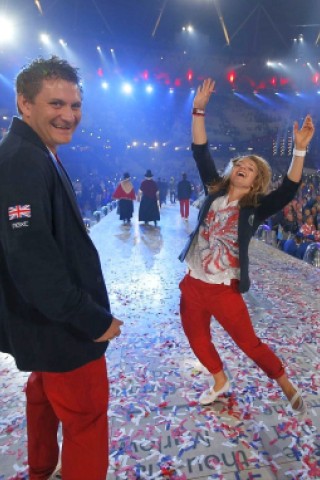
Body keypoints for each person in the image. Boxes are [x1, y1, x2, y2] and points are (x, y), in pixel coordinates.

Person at [0, 56, 123, 480]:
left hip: (47, 323)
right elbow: (32, 258)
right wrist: (92, 320)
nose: (68, 115)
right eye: (56, 104)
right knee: (86, 416)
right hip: (64, 327)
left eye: (74, 105)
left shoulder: (35, 150)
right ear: (24, 103)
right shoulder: (22, 160)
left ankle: (41, 469)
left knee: (43, 394)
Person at [178, 78, 314, 420]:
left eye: (251, 169)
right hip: (193, 283)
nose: (243, 168)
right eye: (241, 164)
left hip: (224, 290)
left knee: (248, 343)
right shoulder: (214, 192)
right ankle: (220, 380)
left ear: (255, 181)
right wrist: (199, 109)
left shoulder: (254, 209)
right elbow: (200, 150)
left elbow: (289, 190)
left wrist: (299, 150)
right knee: (196, 339)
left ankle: (285, 383)